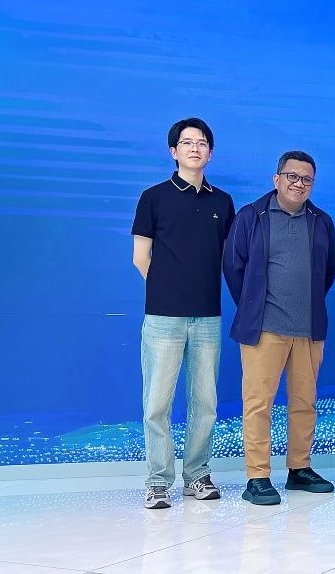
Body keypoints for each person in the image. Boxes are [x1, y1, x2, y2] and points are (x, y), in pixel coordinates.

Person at [223, 150, 335, 506]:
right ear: (277, 179)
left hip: (308, 329)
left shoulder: (321, 221)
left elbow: (327, 271)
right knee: (258, 404)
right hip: (263, 329)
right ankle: (257, 476)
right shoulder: (251, 216)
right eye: (292, 176)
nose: (298, 184)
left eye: (306, 179)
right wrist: (254, 305)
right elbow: (233, 267)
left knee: (304, 403)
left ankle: (299, 469)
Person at [131, 117, 235, 509]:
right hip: (163, 317)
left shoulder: (222, 202)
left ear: (210, 152)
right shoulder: (153, 197)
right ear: (173, 151)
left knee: (205, 402)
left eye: (202, 142)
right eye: (187, 142)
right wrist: (167, 289)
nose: (195, 148)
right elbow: (141, 257)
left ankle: (197, 475)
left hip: (208, 316)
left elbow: (227, 258)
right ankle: (158, 481)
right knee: (157, 403)